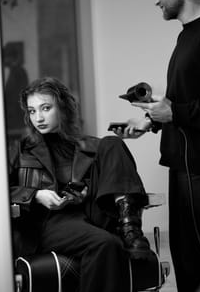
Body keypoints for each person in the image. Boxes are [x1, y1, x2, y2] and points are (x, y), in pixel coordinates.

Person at [113, 0, 200, 292]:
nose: (156, 0)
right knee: (186, 263)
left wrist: (172, 113)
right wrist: (150, 120)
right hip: (182, 166)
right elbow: (184, 102)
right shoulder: (186, 36)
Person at [9, 76, 152, 292]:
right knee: (106, 244)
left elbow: (108, 182)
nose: (38, 117)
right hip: (48, 222)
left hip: (90, 212)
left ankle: (130, 229)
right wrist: (36, 195)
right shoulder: (19, 150)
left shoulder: (91, 146)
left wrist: (84, 192)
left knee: (112, 142)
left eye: (45, 108)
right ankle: (127, 234)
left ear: (63, 108)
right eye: (32, 111)